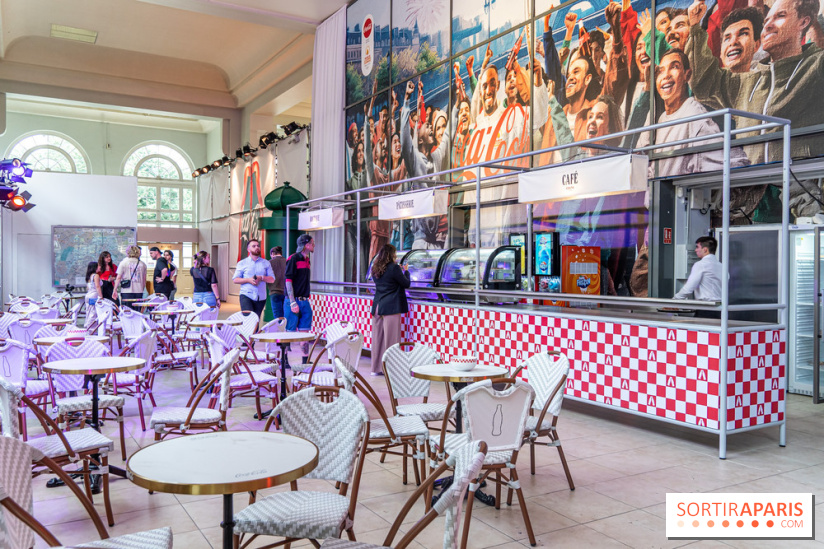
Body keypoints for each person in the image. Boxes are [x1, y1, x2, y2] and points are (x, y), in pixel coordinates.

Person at [686, 0, 824, 164]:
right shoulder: (747, 81)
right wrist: (694, 28)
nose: (768, 26)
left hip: (800, 184)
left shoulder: (817, 65)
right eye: (766, 21)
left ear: (804, 22)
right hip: (753, 184)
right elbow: (703, 82)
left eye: (780, 16)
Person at [370, 244, 410, 377]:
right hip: (391, 307)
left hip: (377, 307)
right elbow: (406, 284)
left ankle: (376, 368)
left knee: (378, 339)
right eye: (395, 253)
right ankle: (391, 369)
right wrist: (406, 271)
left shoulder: (375, 268)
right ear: (391, 254)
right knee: (391, 340)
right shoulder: (394, 268)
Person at [284, 234, 315, 365]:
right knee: (289, 332)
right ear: (306, 245)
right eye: (312, 243)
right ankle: (284, 360)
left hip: (305, 301)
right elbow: (288, 281)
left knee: (305, 332)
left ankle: (305, 360)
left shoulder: (307, 260)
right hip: (294, 301)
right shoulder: (293, 258)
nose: (314, 245)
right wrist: (292, 301)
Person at [233, 238, 274, 318]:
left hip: (261, 297)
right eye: (254, 246)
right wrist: (248, 280)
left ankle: (255, 331)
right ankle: (247, 331)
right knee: (248, 319)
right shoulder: (242, 263)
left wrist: (261, 278)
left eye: (258, 246)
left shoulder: (266, 263)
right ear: (248, 249)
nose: (257, 247)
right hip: (246, 295)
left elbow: (272, 279)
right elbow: (235, 279)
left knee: (256, 320)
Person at [674, 236, 722, 302]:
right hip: (720, 308)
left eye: (697, 247)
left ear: (705, 249)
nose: (695, 250)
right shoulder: (722, 266)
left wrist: (674, 300)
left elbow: (689, 288)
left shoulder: (700, 265)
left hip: (706, 307)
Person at [268, 246, 287, 319]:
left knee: (278, 318)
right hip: (286, 293)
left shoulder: (269, 263)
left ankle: (279, 330)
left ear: (272, 253)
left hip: (274, 292)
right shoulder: (287, 261)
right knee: (286, 317)